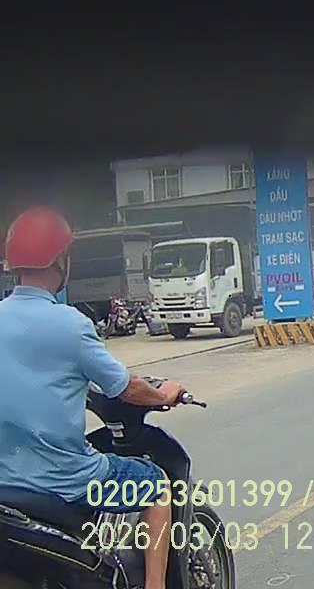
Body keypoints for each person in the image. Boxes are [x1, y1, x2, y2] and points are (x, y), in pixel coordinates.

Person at [0, 207, 185, 589]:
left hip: (5, 482)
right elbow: (126, 387)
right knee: (158, 486)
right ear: (60, 260)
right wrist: (163, 395)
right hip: (67, 480)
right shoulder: (71, 325)